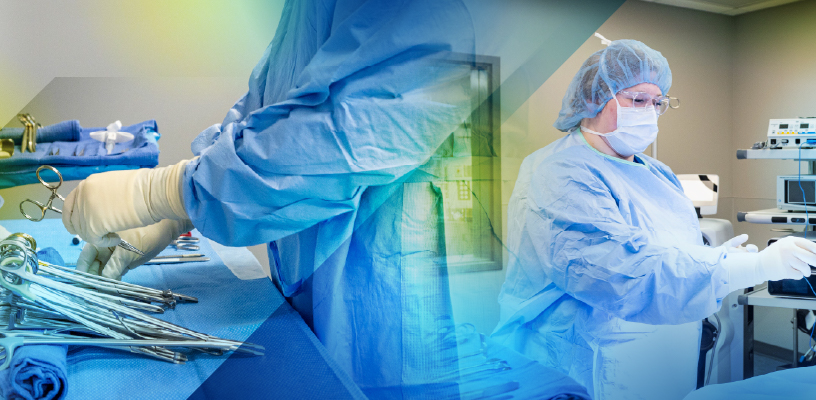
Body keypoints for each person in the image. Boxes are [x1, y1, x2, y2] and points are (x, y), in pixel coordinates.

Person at [56, 0, 497, 397]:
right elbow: (262, 115)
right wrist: (175, 213)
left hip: (385, 319)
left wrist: (168, 191)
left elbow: (332, 144)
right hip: (306, 290)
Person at [489, 37, 816, 400]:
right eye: (638, 100)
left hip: (660, 352)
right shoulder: (559, 172)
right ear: (595, 97)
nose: (650, 112)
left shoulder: (657, 173)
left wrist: (716, 258)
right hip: (585, 360)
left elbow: (669, 249)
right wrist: (737, 270)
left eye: (658, 102)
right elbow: (618, 273)